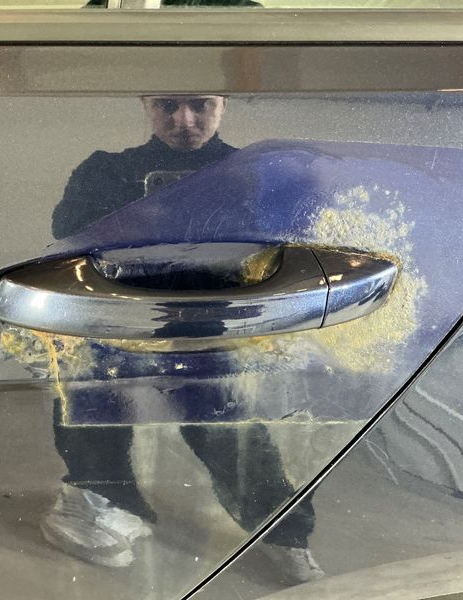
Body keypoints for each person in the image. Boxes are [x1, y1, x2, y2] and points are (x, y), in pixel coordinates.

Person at [44, 95, 322, 583]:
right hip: (121, 318)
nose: (183, 120)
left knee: (224, 421)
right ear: (146, 104)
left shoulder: (251, 173)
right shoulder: (106, 171)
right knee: (92, 398)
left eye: (200, 105)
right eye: (168, 105)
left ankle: (283, 532)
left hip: (213, 319)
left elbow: (291, 241)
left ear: (223, 104)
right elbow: (68, 233)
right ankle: (105, 498)